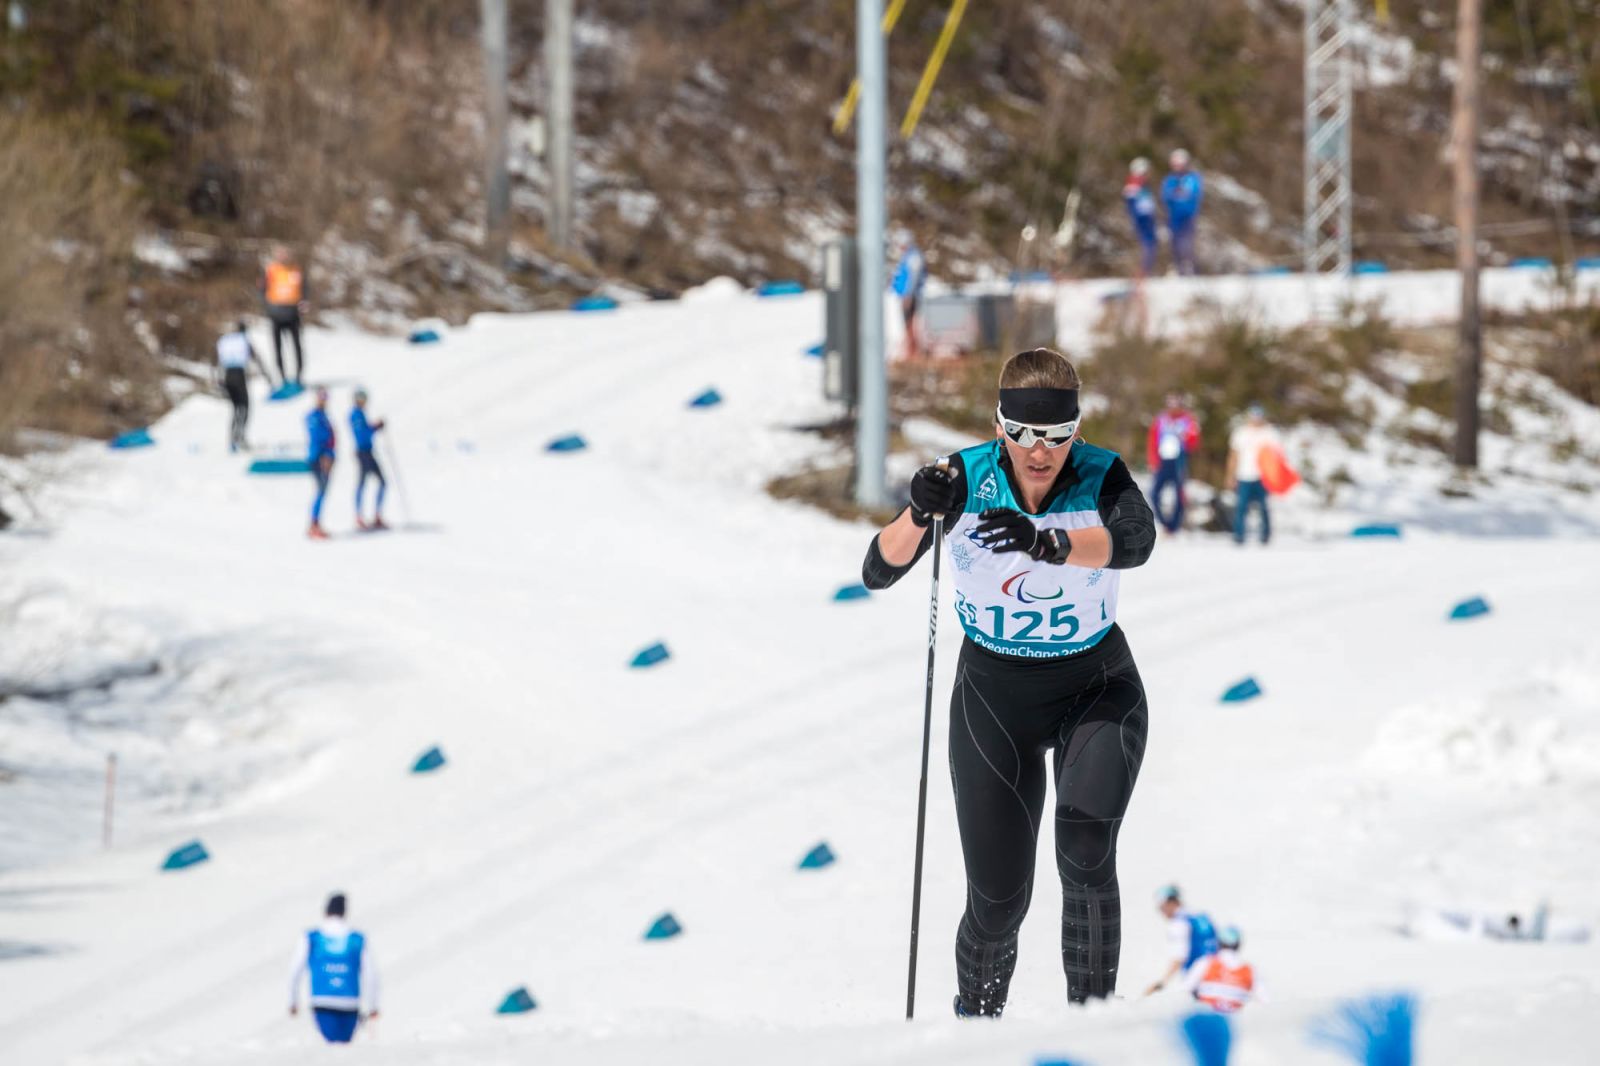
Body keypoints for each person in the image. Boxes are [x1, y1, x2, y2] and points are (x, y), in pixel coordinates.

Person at [862, 347, 1157, 1016]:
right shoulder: (964, 479)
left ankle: (1094, 1029)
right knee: (997, 903)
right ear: (1001, 427)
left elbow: (1137, 543)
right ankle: (976, 1027)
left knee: (1084, 848)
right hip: (994, 700)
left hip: (1095, 686)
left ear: (1074, 432)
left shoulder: (1101, 475)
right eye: (1022, 432)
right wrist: (917, 512)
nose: (1038, 450)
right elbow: (876, 574)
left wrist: (1050, 544)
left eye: (1055, 435)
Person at [288, 893, 379, 1044]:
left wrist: (293, 1001)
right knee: (343, 1045)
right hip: (350, 1001)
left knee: (331, 1047)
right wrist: (373, 1006)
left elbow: (295, 971)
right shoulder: (357, 939)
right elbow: (371, 975)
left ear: (326, 911)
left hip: (322, 1000)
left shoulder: (312, 937)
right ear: (344, 912)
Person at [1144, 884, 1220, 996]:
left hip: (1196, 979)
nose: (1161, 912)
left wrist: (1162, 983)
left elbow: (1179, 957)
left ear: (1171, 903)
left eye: (1161, 907)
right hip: (1217, 975)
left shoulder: (1178, 923)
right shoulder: (1202, 915)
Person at [1225, 404, 1281, 546]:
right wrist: (1230, 475)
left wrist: (1275, 477)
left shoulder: (1270, 433)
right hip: (1244, 475)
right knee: (1241, 507)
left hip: (1263, 477)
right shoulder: (1241, 433)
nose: (1256, 419)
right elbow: (1234, 455)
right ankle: (1239, 535)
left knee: (1263, 507)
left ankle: (1265, 535)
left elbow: (1276, 457)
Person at [215, 320, 273, 452]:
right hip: (239, 376)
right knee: (245, 407)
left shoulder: (226, 340)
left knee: (235, 409)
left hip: (227, 377)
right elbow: (256, 359)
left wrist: (218, 380)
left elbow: (217, 361)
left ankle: (232, 440)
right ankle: (240, 438)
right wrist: (267, 377)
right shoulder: (243, 340)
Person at [1147, 393, 1200, 535]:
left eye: (1176, 404)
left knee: (1179, 493)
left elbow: (1194, 442)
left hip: (1179, 460)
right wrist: (1153, 460)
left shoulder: (1188, 420)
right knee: (1154, 493)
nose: (1173, 407)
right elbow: (1152, 440)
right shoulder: (1161, 419)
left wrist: (1187, 437)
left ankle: (1174, 526)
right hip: (1163, 461)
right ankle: (1164, 523)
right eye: (1170, 404)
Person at [1183, 925, 1260, 1013]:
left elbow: (1186, 988)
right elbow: (1263, 1000)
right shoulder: (1250, 970)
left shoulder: (1205, 962)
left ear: (1218, 944)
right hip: (1230, 1020)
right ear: (1239, 945)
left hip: (1208, 1019)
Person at [261, 244, 308, 386]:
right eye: (280, 254)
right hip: (276, 314)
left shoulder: (296, 270)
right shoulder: (271, 270)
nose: (283, 257)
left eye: (285, 254)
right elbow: (262, 290)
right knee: (277, 347)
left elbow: (305, 288)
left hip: (293, 313)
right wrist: (267, 307)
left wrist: (304, 302)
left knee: (296, 346)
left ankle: (299, 376)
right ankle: (282, 378)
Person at [350, 388, 388, 531]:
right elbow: (362, 434)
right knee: (362, 483)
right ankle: (359, 516)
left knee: (381, 482)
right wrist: (375, 427)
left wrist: (374, 427)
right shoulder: (356, 415)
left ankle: (376, 515)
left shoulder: (359, 414)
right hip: (363, 452)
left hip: (367, 451)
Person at [1160, 149, 1203, 276]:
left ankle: (1189, 266)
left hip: (1188, 214)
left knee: (1187, 241)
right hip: (1174, 216)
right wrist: (1177, 194)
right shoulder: (1169, 179)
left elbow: (1194, 194)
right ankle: (1177, 267)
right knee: (1175, 242)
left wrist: (1179, 194)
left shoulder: (1192, 178)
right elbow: (1166, 196)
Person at [891, 230, 928, 360]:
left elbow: (913, 277)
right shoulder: (908, 256)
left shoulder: (914, 256)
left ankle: (913, 352)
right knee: (907, 324)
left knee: (910, 324)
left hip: (910, 297)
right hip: (905, 296)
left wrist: (908, 295)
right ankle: (910, 350)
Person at [1122, 158, 1159, 280]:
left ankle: (1147, 270)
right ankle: (1143, 270)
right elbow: (1131, 205)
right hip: (1142, 219)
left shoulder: (1143, 185)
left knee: (1150, 243)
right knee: (1147, 244)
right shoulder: (1133, 185)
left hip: (1147, 218)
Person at [306, 388, 336, 540]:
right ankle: (314, 524)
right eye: (321, 397)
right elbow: (318, 437)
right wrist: (324, 456)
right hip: (319, 458)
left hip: (326, 457)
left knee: (322, 491)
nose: (323, 400)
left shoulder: (323, 416)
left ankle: (315, 523)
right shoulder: (314, 416)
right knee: (320, 491)